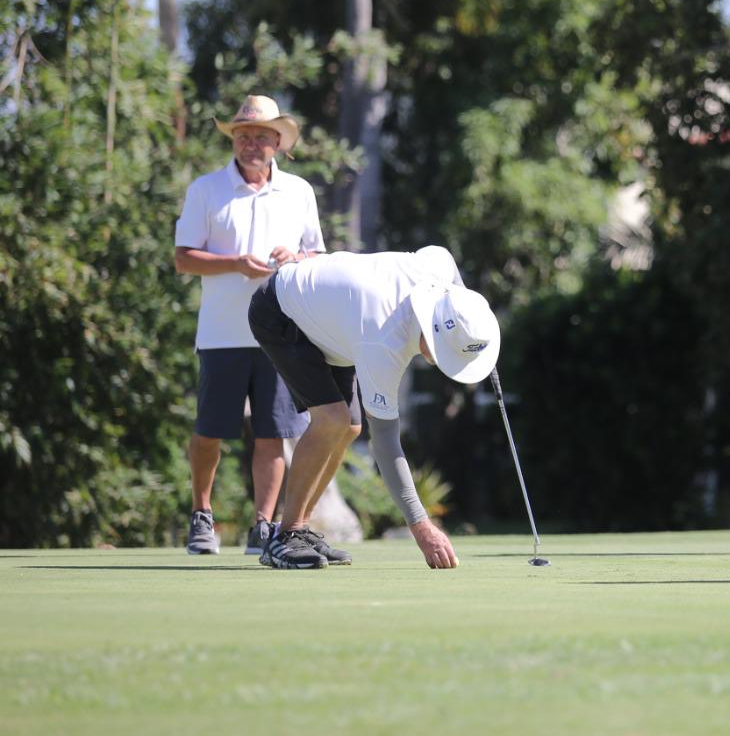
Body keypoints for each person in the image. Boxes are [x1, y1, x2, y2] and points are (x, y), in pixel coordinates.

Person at [247, 245, 500, 570]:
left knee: (350, 426)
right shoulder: (384, 341)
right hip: (280, 310)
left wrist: (472, 334)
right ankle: (285, 537)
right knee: (332, 419)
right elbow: (385, 444)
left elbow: (445, 257)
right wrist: (422, 527)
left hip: (335, 323)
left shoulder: (438, 273)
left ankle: (301, 530)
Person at [174, 95, 326, 556]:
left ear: (278, 142)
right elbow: (184, 259)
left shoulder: (299, 191)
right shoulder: (206, 189)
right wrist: (236, 264)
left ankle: (263, 525)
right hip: (221, 334)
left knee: (272, 434)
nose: (251, 144)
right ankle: (202, 514)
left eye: (261, 136)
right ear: (233, 140)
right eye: (243, 136)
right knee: (209, 432)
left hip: (281, 335)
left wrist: (295, 258)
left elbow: (318, 256)